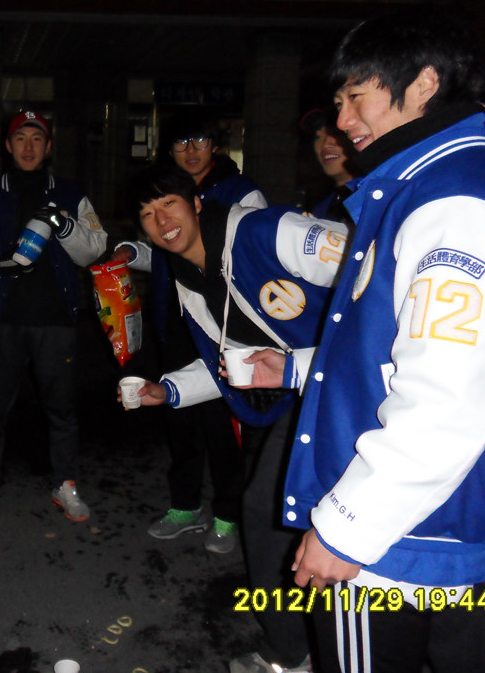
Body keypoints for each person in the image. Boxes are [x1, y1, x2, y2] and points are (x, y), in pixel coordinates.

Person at [250, 10, 485, 673]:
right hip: (415, 519)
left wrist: (347, 527)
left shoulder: (457, 205)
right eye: (338, 101)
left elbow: (448, 398)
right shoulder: (423, 190)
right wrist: (292, 369)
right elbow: (386, 355)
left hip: (394, 535)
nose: (342, 120)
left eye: (357, 96)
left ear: (424, 84)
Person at [123, 164, 347, 673]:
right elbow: (228, 363)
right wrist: (169, 389)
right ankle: (293, 648)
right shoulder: (188, 279)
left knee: (287, 514)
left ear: (197, 203)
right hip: (302, 398)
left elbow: (375, 275)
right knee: (271, 513)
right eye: (148, 214)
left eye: (169, 204)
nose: (162, 221)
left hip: (353, 391)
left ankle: (310, 648)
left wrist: (300, 366)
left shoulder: (267, 231)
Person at [115, 113, 266, 552]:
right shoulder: (161, 192)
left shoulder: (241, 193)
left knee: (224, 426)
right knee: (179, 419)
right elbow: (166, 251)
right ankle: (184, 505)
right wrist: (134, 253)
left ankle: (227, 513)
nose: (192, 150)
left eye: (200, 139)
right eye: (181, 142)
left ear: (215, 144)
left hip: (227, 329)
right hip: (177, 321)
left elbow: (253, 259)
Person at [0, 109, 107, 525]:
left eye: (37, 138)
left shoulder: (70, 193)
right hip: (2, 321)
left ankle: (65, 483)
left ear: (48, 146)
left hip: (56, 321)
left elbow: (94, 248)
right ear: (8, 145)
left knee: (62, 409)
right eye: (20, 138)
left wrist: (64, 225)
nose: (28, 146)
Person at [298, 107, 358, 221]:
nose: (325, 144)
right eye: (318, 137)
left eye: (335, 134)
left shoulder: (375, 194)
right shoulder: (320, 209)